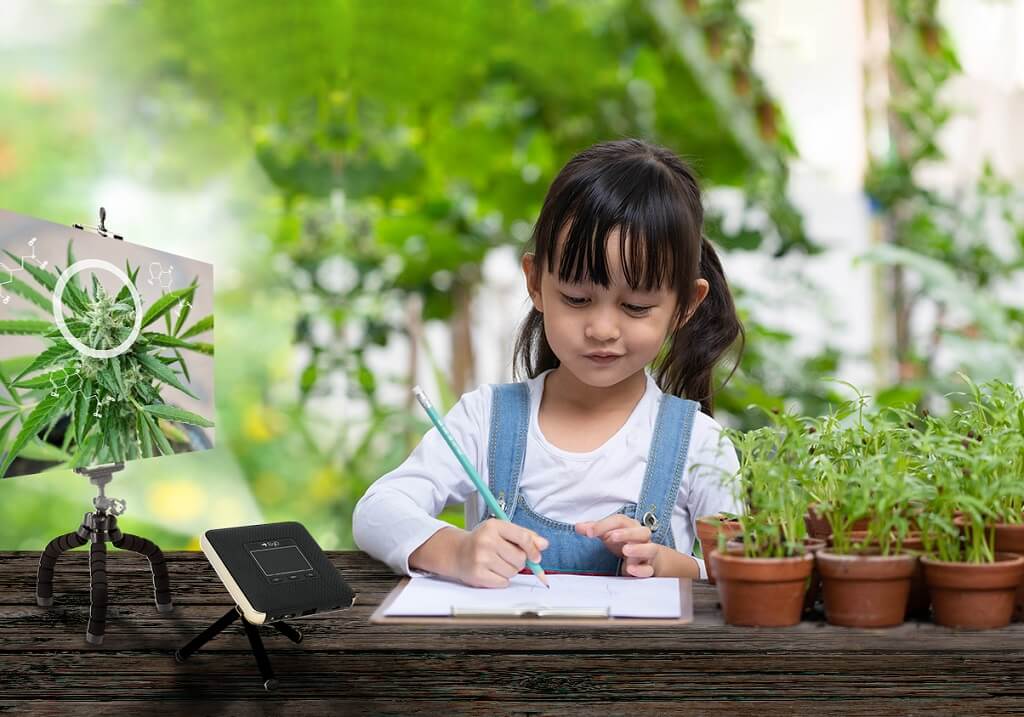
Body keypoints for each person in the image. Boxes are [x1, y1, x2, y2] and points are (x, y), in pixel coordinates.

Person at [353, 138, 744, 588]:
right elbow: (377, 509)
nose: (602, 328)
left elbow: (741, 564)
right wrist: (456, 550)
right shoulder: (487, 420)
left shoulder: (699, 444)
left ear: (685, 306)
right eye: (577, 299)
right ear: (536, 282)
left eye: (635, 306)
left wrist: (670, 564)